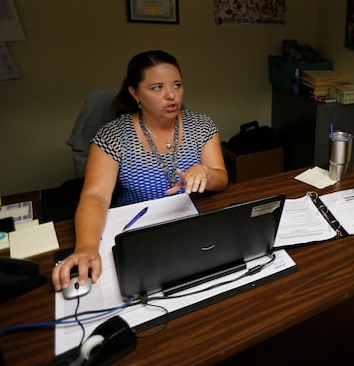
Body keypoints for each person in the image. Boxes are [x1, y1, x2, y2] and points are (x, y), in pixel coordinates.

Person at [52, 50, 228, 292]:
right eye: (157, 88)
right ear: (135, 93)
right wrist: (86, 247)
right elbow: (96, 196)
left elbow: (221, 179)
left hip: (193, 228)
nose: (171, 95)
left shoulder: (201, 125)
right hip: (139, 234)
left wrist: (206, 173)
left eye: (177, 85)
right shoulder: (112, 136)